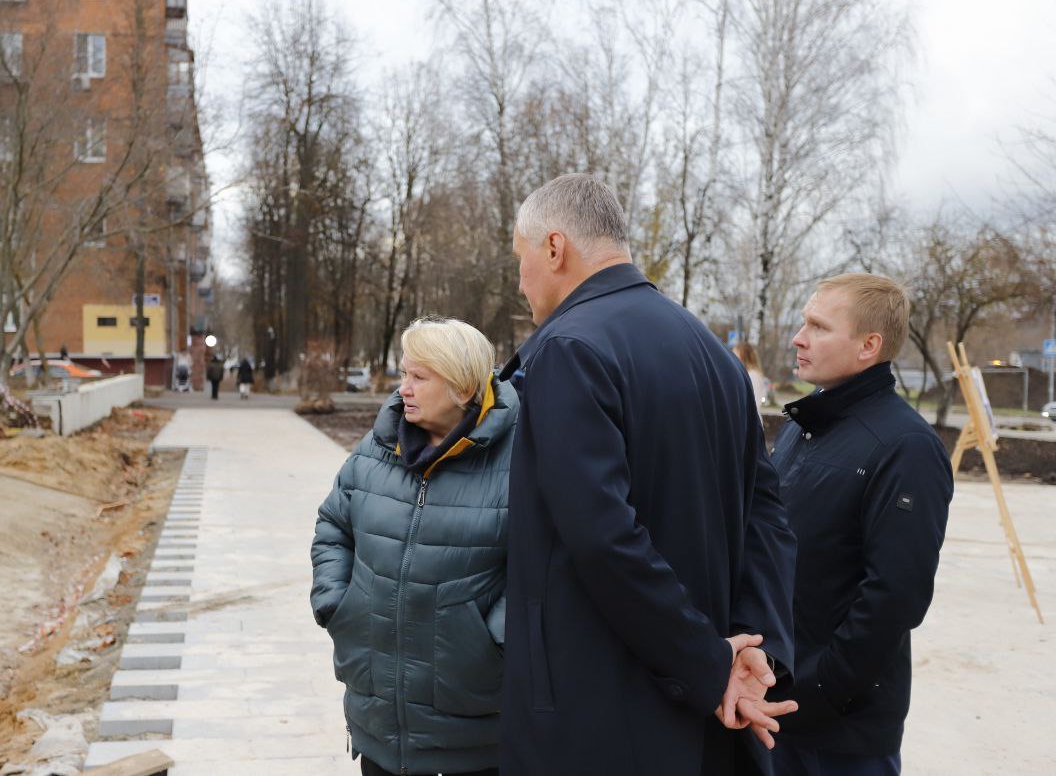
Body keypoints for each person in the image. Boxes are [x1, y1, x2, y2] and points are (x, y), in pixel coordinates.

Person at [500, 174, 797, 775]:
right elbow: (768, 515)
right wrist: (752, 647)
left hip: (597, 712)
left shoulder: (569, 348)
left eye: (521, 257)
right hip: (696, 722)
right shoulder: (712, 352)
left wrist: (710, 665)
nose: (521, 279)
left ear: (554, 248)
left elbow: (604, 537)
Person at [311, 317, 518, 776]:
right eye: (404, 373)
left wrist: (491, 641)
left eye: (419, 377)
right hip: (377, 721)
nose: (403, 388)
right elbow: (333, 525)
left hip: (470, 733)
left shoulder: (521, 459)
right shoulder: (377, 448)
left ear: (463, 387)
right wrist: (337, 603)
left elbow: (543, 564)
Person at [768, 274, 953, 775]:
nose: (798, 338)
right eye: (803, 323)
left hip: (840, 736)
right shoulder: (803, 427)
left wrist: (818, 691)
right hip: (775, 706)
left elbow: (895, 595)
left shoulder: (906, 446)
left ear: (869, 345)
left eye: (818, 326)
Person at [734, 341, 770, 407]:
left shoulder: (753, 376)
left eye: (736, 355)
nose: (733, 358)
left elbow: (753, 404)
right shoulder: (747, 374)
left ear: (744, 357)